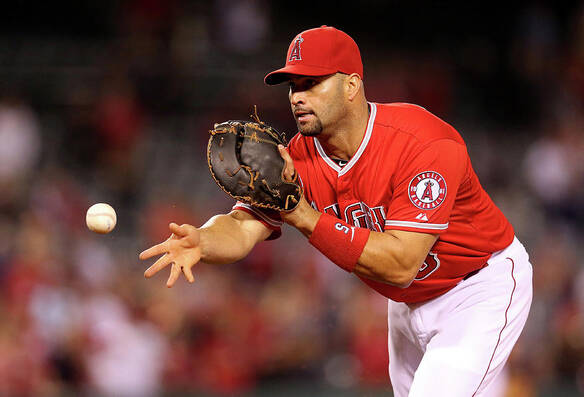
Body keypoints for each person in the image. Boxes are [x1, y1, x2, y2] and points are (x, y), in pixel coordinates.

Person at [140, 25, 533, 396]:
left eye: (311, 83)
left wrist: (305, 216)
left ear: (351, 86)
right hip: (406, 302)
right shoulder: (297, 156)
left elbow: (401, 263)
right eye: (293, 85)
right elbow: (243, 226)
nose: (297, 96)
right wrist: (204, 239)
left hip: (479, 285)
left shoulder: (422, 142)